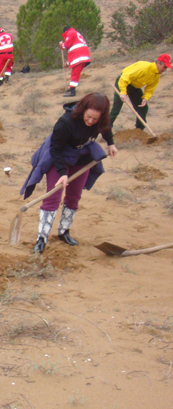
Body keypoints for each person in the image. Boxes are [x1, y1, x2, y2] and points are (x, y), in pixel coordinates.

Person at [20, 93, 118, 254]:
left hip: (82, 159)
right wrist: (62, 173)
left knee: (74, 196)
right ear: (83, 110)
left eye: (95, 119)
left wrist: (111, 144)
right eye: (88, 117)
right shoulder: (66, 122)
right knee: (53, 196)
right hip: (60, 157)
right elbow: (55, 149)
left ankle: (64, 231)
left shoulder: (100, 121)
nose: (91, 122)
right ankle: (42, 238)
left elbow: (105, 128)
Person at [109, 54, 170, 131]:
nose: (165, 70)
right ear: (158, 63)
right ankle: (106, 128)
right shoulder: (144, 67)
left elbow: (150, 88)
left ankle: (139, 130)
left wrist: (145, 98)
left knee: (143, 107)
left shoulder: (157, 74)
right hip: (123, 82)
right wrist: (123, 93)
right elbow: (125, 77)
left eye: (166, 68)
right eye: (164, 67)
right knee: (116, 108)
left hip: (134, 86)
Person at [60, 27, 90, 97]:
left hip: (79, 57)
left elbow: (66, 45)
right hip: (81, 56)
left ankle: (72, 91)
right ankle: (71, 89)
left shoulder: (71, 33)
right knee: (76, 74)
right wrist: (67, 63)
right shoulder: (75, 34)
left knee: (74, 74)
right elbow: (72, 54)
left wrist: (62, 45)